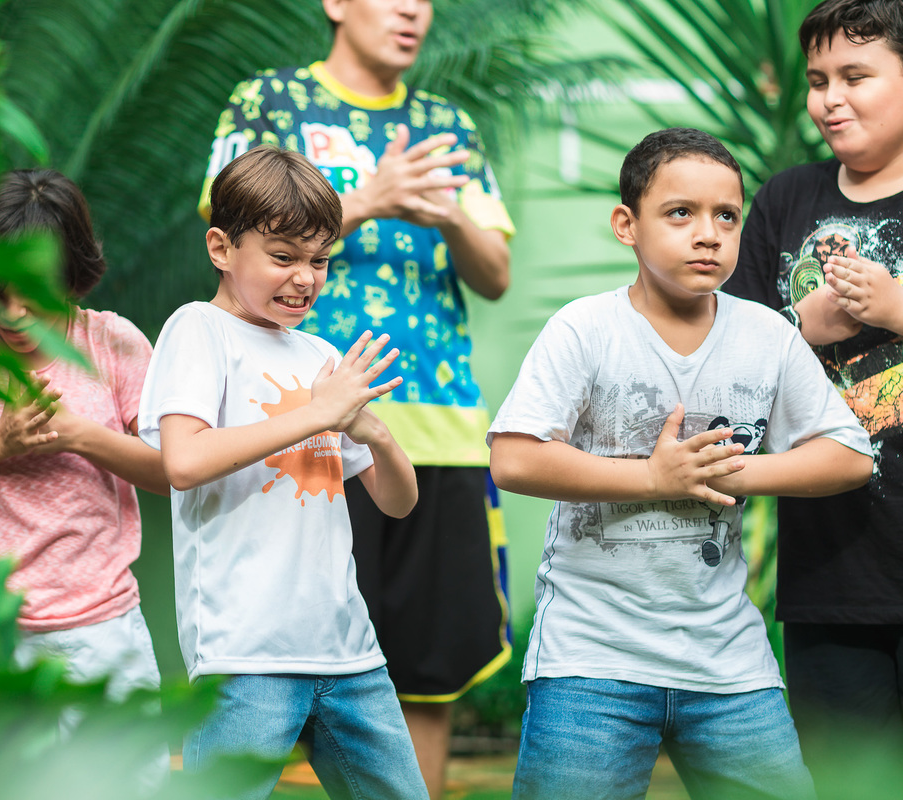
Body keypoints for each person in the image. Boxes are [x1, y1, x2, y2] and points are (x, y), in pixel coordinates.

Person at [488, 127, 873, 800]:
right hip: (591, 660)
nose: (708, 234)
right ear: (626, 226)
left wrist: (725, 473)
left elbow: (849, 456)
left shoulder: (768, 335)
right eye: (680, 213)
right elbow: (514, 459)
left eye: (727, 216)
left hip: (729, 663)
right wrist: (653, 477)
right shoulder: (585, 328)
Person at [199, 2, 512, 792]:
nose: (412, 11)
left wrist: (446, 214)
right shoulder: (267, 101)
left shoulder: (449, 125)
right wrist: (369, 196)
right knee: (286, 666)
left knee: (428, 668)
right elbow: (232, 236)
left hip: (438, 424)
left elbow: (495, 274)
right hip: (296, 428)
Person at [139, 145, 426, 800]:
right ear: (221, 247)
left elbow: (398, 501)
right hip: (244, 656)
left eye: (319, 260)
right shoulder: (198, 329)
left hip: (349, 653)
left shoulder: (320, 353)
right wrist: (317, 413)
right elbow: (183, 461)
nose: (305, 278)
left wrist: (374, 432)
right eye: (283, 256)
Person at [0, 168, 168, 705]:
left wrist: (79, 435)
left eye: (33, 292)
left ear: (72, 274)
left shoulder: (114, 343)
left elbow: (172, 471)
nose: (12, 313)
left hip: (102, 631)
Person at [723, 0, 903, 785]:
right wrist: (803, 324)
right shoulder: (786, 199)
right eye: (818, 80)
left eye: (855, 76)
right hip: (832, 572)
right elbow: (725, 358)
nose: (830, 99)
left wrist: (895, 308)